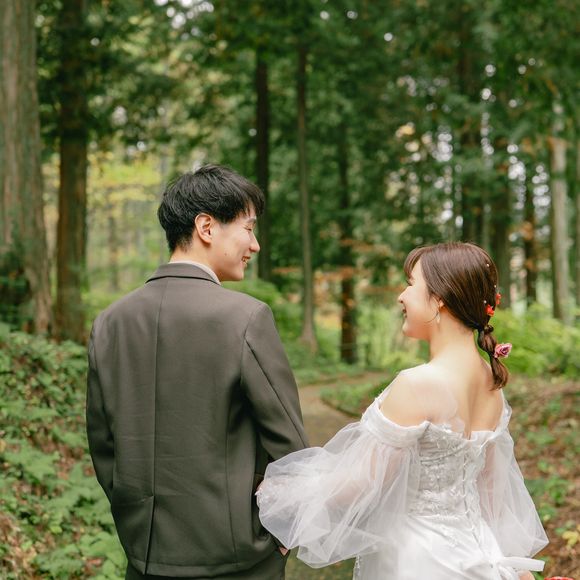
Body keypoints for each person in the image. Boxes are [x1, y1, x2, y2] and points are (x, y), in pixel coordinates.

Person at [257, 242, 548, 580]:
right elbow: (492, 497)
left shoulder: (418, 384)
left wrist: (280, 495)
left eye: (411, 284)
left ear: (439, 297)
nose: (401, 296)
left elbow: (360, 484)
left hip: (420, 561)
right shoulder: (492, 385)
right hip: (481, 557)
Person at [86, 164, 308, 580]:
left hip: (145, 554)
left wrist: (136, 525)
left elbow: (104, 446)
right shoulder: (245, 318)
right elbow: (291, 447)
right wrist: (281, 533)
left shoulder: (110, 322)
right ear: (206, 227)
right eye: (248, 228)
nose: (255, 244)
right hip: (237, 558)